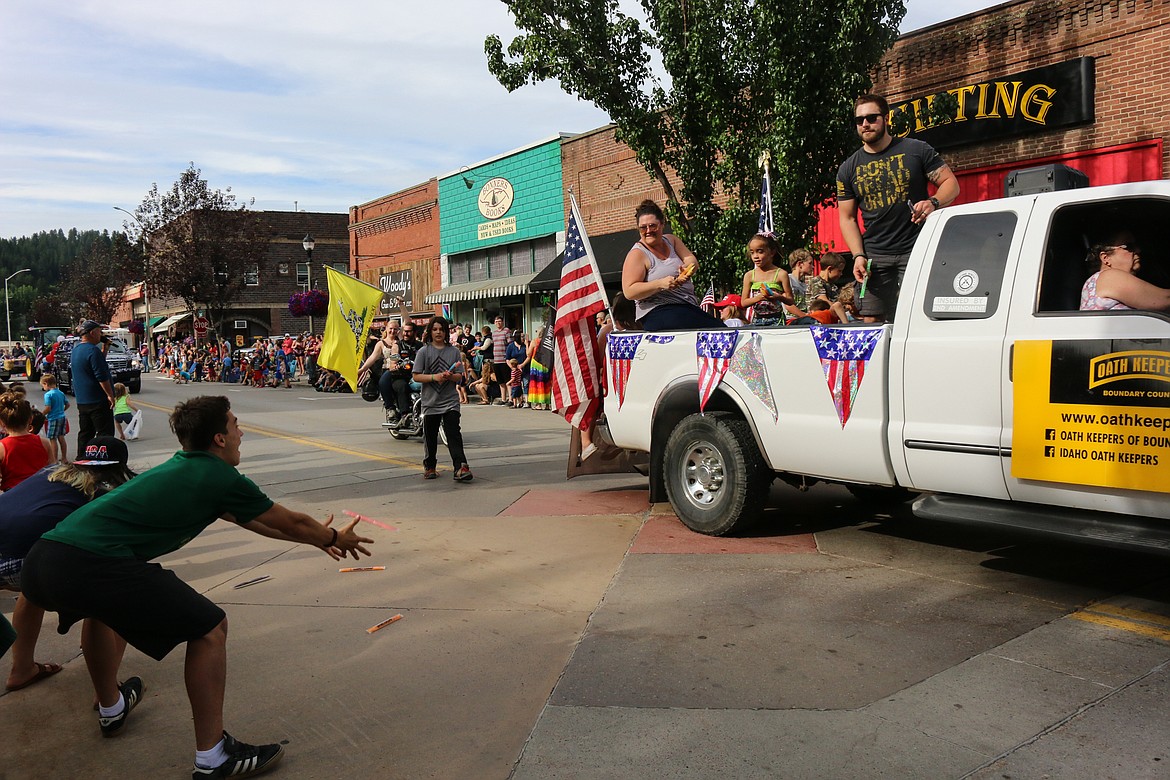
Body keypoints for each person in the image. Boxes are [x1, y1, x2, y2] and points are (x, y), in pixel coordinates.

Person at [20, 395, 373, 777]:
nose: (241, 432)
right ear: (219, 438)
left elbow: (254, 521)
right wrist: (332, 534)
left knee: (103, 612)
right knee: (209, 629)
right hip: (91, 562)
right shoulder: (215, 475)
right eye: (236, 424)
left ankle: (112, 708)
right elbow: (289, 521)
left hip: (46, 558)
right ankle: (213, 757)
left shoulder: (185, 469)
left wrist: (321, 540)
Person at [2, 436, 135, 693]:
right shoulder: (104, 492)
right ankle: (109, 694)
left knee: (31, 590)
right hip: (19, 560)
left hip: (8, 557)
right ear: (120, 469)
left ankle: (22, 669)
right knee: (116, 594)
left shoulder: (50, 473)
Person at [838, 93, 959, 322]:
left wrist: (933, 202)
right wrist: (858, 255)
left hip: (917, 248)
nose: (865, 124)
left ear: (886, 118)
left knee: (917, 318)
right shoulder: (848, 168)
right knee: (871, 320)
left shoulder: (916, 149)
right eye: (859, 120)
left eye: (872, 118)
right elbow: (847, 219)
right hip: (875, 255)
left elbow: (951, 184)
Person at [622, 199, 720, 331]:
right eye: (643, 228)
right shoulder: (637, 254)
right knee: (712, 331)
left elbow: (692, 260)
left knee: (720, 329)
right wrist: (660, 284)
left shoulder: (671, 240)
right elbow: (629, 291)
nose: (648, 231)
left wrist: (688, 268)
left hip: (687, 307)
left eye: (653, 226)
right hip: (658, 311)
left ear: (662, 224)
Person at [412, 317, 472, 482]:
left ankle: (460, 467)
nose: (438, 332)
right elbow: (416, 376)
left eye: (441, 329)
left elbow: (460, 377)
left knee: (453, 432)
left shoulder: (453, 352)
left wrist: (450, 376)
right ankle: (430, 466)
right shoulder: (424, 352)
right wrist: (435, 377)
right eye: (435, 329)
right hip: (430, 402)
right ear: (430, 332)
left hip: (450, 402)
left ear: (446, 332)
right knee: (430, 436)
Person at [1080, 233, 1170, 312]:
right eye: (1129, 246)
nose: (1138, 250)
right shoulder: (1108, 277)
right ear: (1106, 258)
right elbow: (1164, 299)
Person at [71, 320, 117, 453]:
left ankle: (82, 458)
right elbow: (101, 376)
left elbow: (93, 366)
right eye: (99, 331)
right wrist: (110, 395)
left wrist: (105, 350)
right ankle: (104, 462)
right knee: (104, 433)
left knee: (86, 432)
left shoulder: (77, 350)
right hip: (98, 400)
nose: (101, 334)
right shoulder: (92, 351)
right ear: (92, 332)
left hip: (83, 400)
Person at [739, 234, 793, 326]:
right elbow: (743, 302)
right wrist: (758, 298)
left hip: (777, 320)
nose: (755, 256)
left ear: (772, 252)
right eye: (752, 252)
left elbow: (791, 300)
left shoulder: (781, 274)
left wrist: (778, 297)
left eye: (760, 252)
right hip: (757, 320)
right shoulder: (749, 275)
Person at [0, 393, 51, 491]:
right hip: (40, 490)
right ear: (30, 419)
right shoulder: (44, 443)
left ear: (2, 422)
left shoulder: (2, 447)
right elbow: (52, 468)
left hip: (13, 493)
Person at [40, 373, 70, 464]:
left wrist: (41, 414)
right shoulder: (60, 393)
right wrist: (61, 411)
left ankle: (55, 459)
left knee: (53, 439)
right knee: (61, 438)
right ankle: (64, 458)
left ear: (46, 383)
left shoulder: (48, 395)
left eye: (43, 385)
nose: (43, 388)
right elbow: (68, 404)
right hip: (62, 417)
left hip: (52, 418)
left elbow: (48, 408)